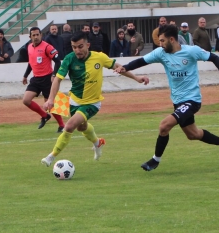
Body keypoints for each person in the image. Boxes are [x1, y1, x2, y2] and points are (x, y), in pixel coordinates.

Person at [115, 24, 219, 171]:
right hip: (177, 101)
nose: (160, 44)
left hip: (192, 100)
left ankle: (155, 160)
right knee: (193, 134)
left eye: (162, 41)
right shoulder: (161, 52)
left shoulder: (191, 51)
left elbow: (214, 57)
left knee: (164, 126)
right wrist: (125, 68)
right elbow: (141, 61)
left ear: (172, 39)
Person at [40, 32, 150, 167]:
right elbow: (57, 79)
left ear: (88, 45)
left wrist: (137, 78)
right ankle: (98, 142)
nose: (77, 50)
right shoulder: (69, 59)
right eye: (74, 47)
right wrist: (51, 99)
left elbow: (118, 67)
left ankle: (51, 157)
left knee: (69, 126)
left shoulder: (99, 57)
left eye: (80, 47)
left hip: (92, 103)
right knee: (82, 127)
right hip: (74, 101)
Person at [22, 27, 66, 132]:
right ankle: (44, 115)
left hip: (47, 79)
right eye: (34, 35)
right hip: (36, 79)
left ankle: (62, 125)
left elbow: (58, 61)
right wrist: (25, 75)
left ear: (41, 35)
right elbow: (30, 63)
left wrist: (54, 74)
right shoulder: (29, 47)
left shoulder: (47, 47)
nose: (36, 37)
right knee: (26, 100)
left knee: (50, 104)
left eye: (38, 35)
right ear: (30, 37)